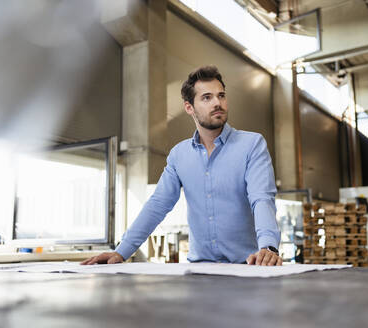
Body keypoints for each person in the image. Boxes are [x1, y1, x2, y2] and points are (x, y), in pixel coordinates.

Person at [82, 66, 282, 266]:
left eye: (221, 96)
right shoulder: (179, 155)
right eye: (207, 97)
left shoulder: (252, 145)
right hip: (199, 271)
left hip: (248, 268)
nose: (217, 103)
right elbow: (158, 205)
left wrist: (268, 246)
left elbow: (261, 198)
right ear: (189, 108)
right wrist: (121, 251)